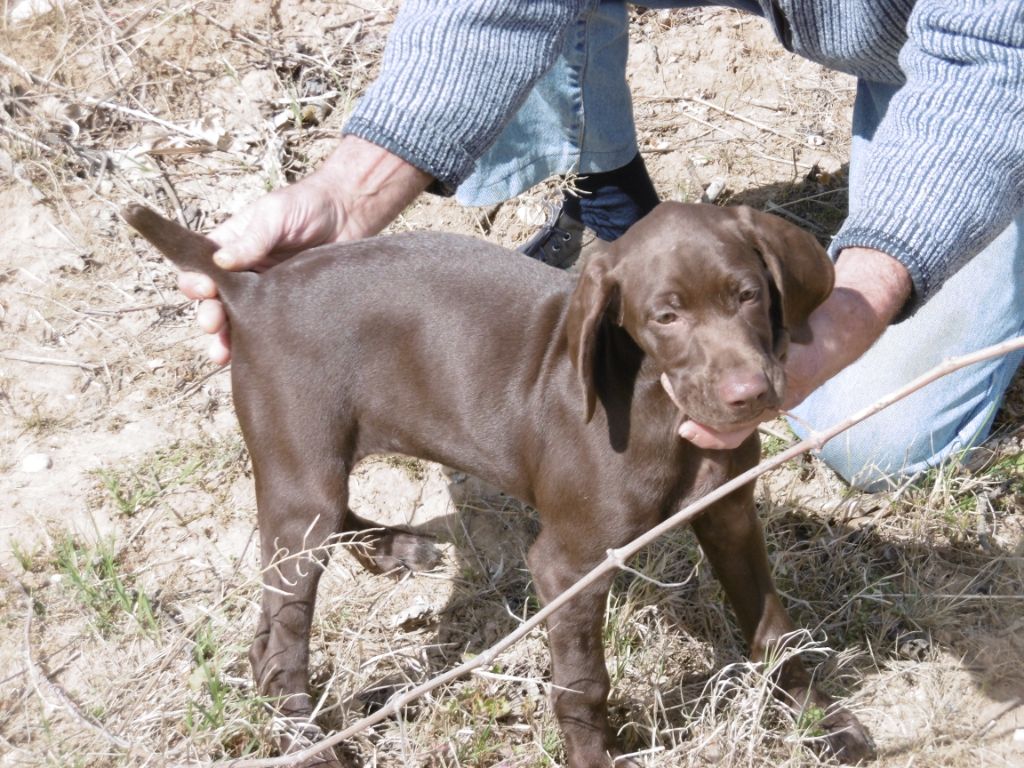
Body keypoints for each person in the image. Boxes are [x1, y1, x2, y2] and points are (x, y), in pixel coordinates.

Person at [179, 0, 1024, 491]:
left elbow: (993, 61)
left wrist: (855, 306)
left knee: (874, 438)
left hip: (991, 61)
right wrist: (346, 193)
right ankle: (613, 207)